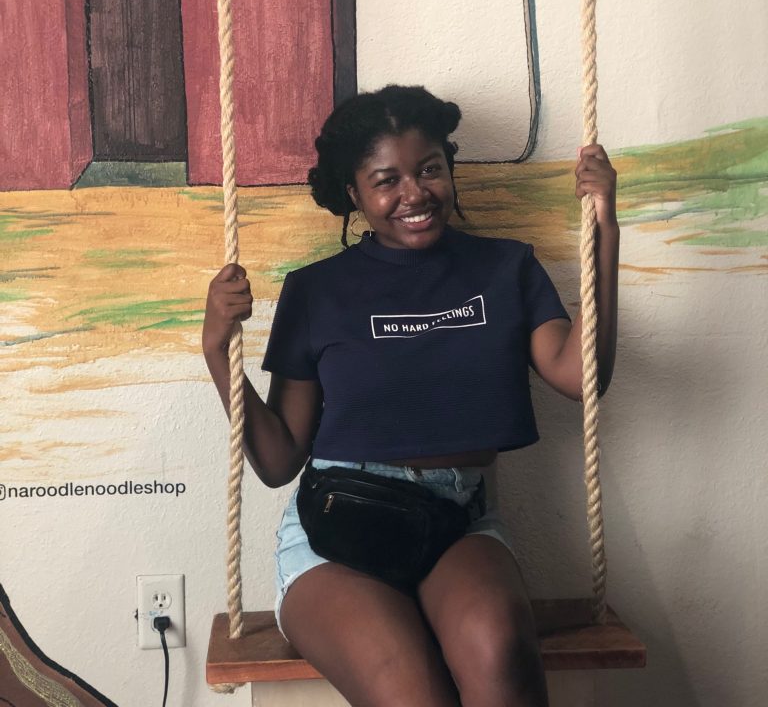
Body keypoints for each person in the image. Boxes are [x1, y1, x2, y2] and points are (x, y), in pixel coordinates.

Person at [203, 85, 619, 707]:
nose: (414, 194)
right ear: (353, 193)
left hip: (460, 520)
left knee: (500, 650)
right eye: (386, 180)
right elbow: (279, 458)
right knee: (413, 695)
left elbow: (579, 376)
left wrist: (605, 230)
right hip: (336, 530)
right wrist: (216, 351)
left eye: (429, 169)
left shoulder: (506, 269)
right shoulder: (317, 292)